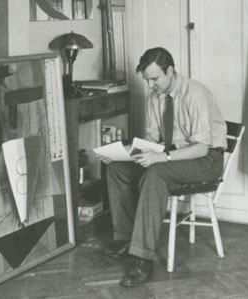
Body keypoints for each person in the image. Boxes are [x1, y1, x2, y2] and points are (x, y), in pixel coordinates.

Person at [97, 47, 228, 287]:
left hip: (206, 160)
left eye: (155, 79)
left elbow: (201, 149)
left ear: (170, 70)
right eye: (147, 80)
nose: (151, 86)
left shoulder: (195, 93)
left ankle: (142, 259)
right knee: (116, 168)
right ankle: (127, 238)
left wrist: (164, 157)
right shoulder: (154, 98)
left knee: (155, 173)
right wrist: (122, 153)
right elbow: (153, 144)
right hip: (173, 156)